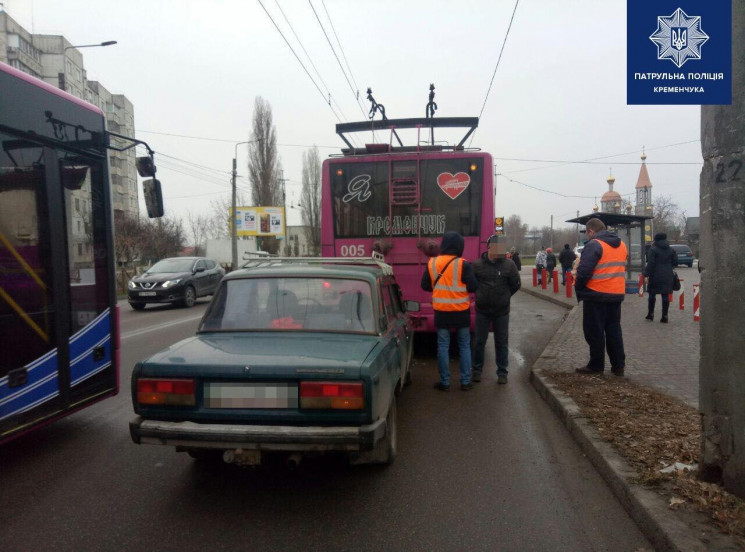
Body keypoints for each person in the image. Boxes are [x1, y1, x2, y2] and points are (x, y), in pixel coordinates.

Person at [421, 231, 479, 391]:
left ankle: (445, 382)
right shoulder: (463, 264)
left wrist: (439, 287)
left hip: (442, 313)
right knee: (464, 346)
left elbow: (425, 285)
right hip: (461, 312)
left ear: (443, 245)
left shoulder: (432, 263)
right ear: (460, 246)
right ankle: (465, 381)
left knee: (443, 347)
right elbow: (474, 286)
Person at [574, 218, 628, 376]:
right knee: (614, 330)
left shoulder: (594, 244)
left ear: (591, 231)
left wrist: (579, 287)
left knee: (594, 331)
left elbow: (584, 272)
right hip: (616, 294)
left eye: (587, 233)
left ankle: (596, 365)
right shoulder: (622, 245)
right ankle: (618, 365)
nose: (588, 237)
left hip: (596, 295)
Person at [472, 235, 521, 384]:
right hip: (482, 310)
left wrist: (505, 297)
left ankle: (502, 372)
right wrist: (481, 296)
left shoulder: (509, 265)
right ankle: (476, 370)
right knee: (479, 341)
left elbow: (515, 285)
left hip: (501, 312)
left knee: (501, 342)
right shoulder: (477, 265)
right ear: (489, 247)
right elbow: (472, 285)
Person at [644, 232, 678, 323]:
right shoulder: (671, 249)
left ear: (656, 239)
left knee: (652, 294)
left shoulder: (653, 249)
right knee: (665, 295)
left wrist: (646, 274)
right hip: (667, 275)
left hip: (655, 275)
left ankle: (650, 314)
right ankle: (665, 316)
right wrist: (669, 268)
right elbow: (675, 262)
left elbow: (651, 263)